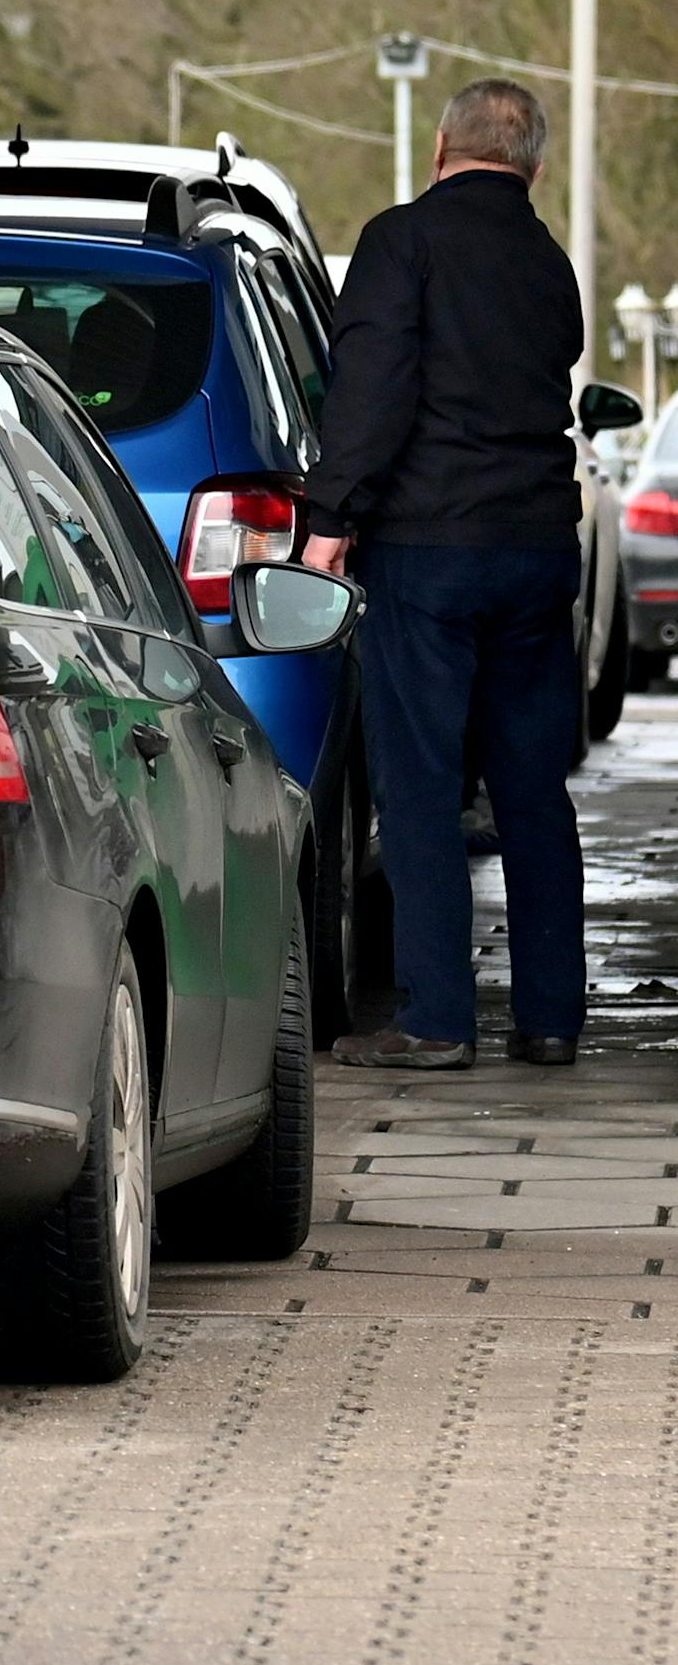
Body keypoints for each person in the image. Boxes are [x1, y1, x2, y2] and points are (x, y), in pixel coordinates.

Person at [302, 79, 586, 1071]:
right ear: (531, 165)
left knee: (418, 784)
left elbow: (370, 391)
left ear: (438, 145)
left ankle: (436, 1018)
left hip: (426, 550)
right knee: (528, 785)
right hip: (535, 547)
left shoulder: (398, 242)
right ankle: (550, 1015)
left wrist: (327, 518)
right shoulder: (549, 264)